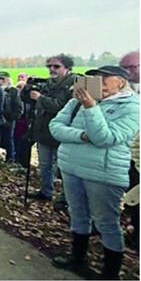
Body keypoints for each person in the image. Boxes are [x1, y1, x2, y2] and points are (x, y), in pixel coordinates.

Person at [48, 64, 140, 280]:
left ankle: (110, 274)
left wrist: (91, 107)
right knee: (78, 214)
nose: (98, 84)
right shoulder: (77, 101)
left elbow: (105, 138)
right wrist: (81, 135)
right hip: (71, 167)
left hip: (103, 174)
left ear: (121, 81)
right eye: (95, 79)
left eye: (104, 79)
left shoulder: (133, 106)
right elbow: (56, 127)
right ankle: (77, 258)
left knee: (106, 222)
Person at [31, 54, 79, 202]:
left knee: (64, 167)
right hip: (44, 130)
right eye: (50, 66)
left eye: (56, 66)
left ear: (67, 68)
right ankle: (46, 191)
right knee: (45, 164)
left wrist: (40, 98)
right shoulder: (48, 83)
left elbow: (64, 107)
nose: (52, 69)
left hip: (63, 131)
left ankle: (66, 198)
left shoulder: (74, 83)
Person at [0, 72, 22, 164]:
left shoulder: (14, 91)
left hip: (9, 119)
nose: (1, 80)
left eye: (3, 78)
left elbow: (18, 107)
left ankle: (10, 159)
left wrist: (12, 118)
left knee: (9, 139)